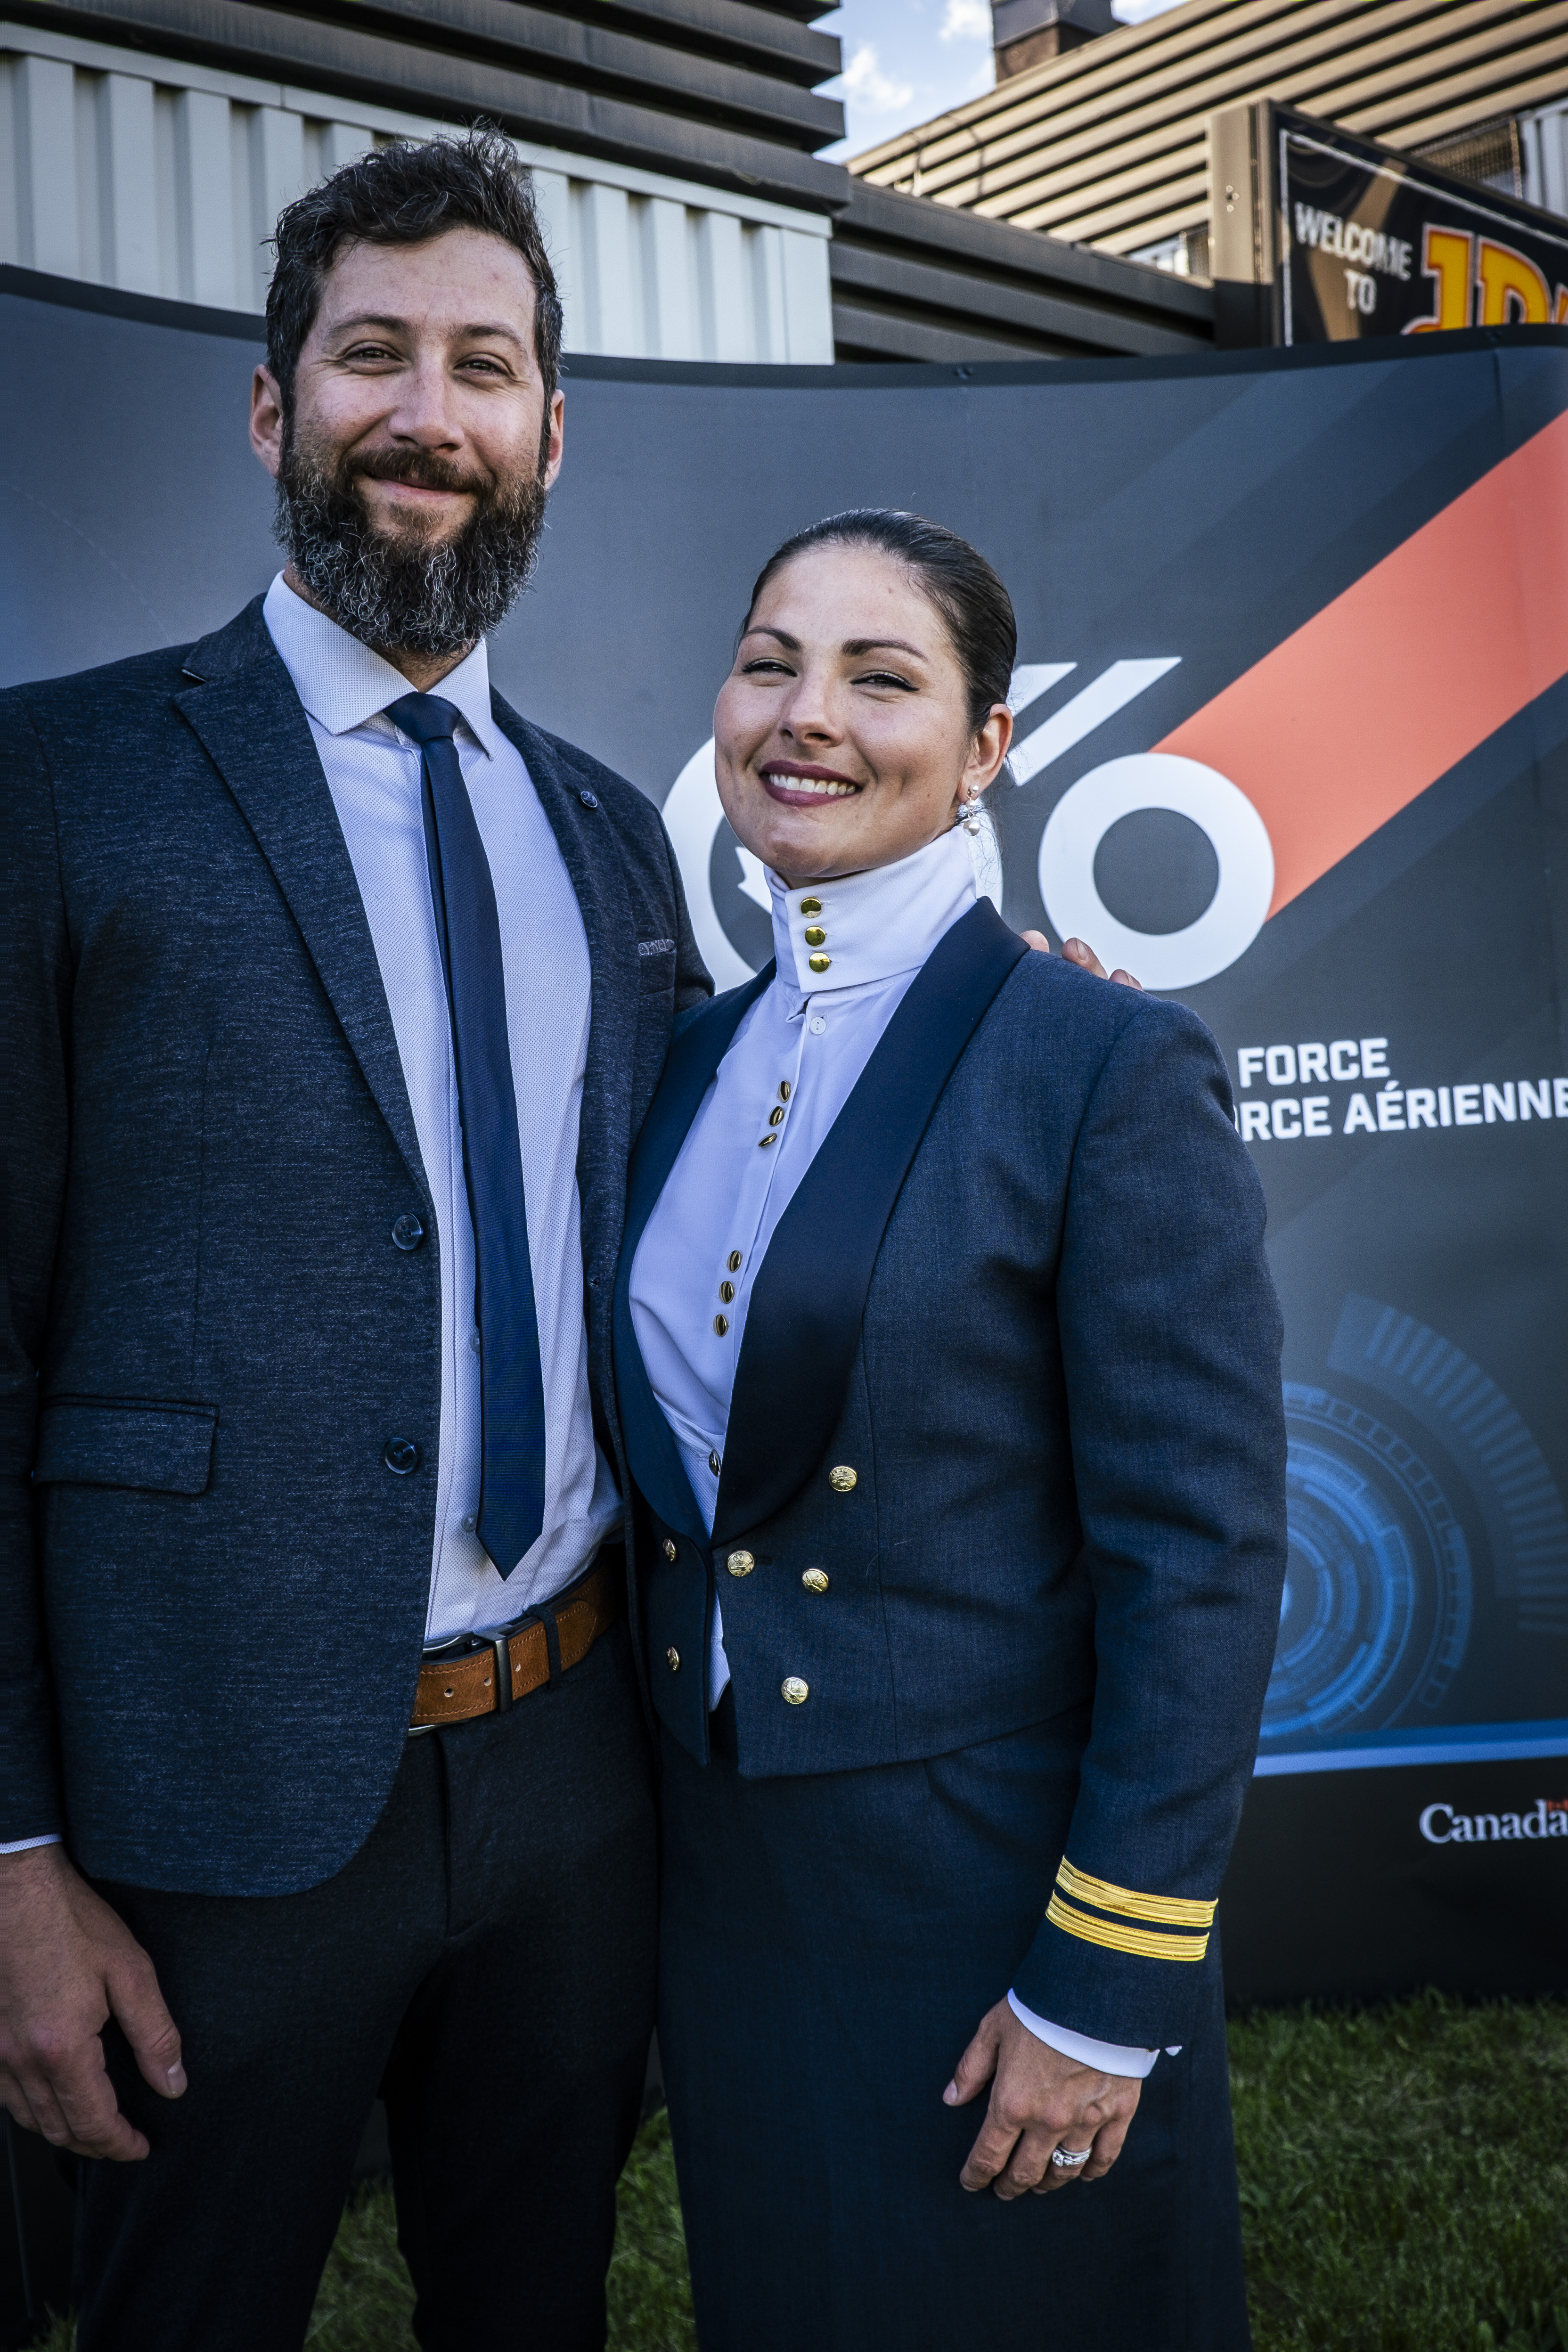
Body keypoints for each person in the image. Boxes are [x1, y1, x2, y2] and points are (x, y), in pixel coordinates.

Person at [0, 131, 710, 2349]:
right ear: (270, 405)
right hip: (197, 1806)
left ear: (550, 435)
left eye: (482, 367)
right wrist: (10, 1862)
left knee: (535, 2309)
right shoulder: (58, 786)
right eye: (371, 354)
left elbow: (736, 1211)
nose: (427, 413)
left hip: (571, 1770)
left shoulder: (610, 837)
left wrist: (1032, 1028)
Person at [613, 509, 1289, 2349]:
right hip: (733, 1896)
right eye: (770, 664)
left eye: (880, 677)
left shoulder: (1099, 1059)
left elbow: (1201, 1557)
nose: (807, 717)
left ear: (987, 744)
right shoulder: (682, 1058)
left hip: (989, 1887)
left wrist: (1103, 1984)